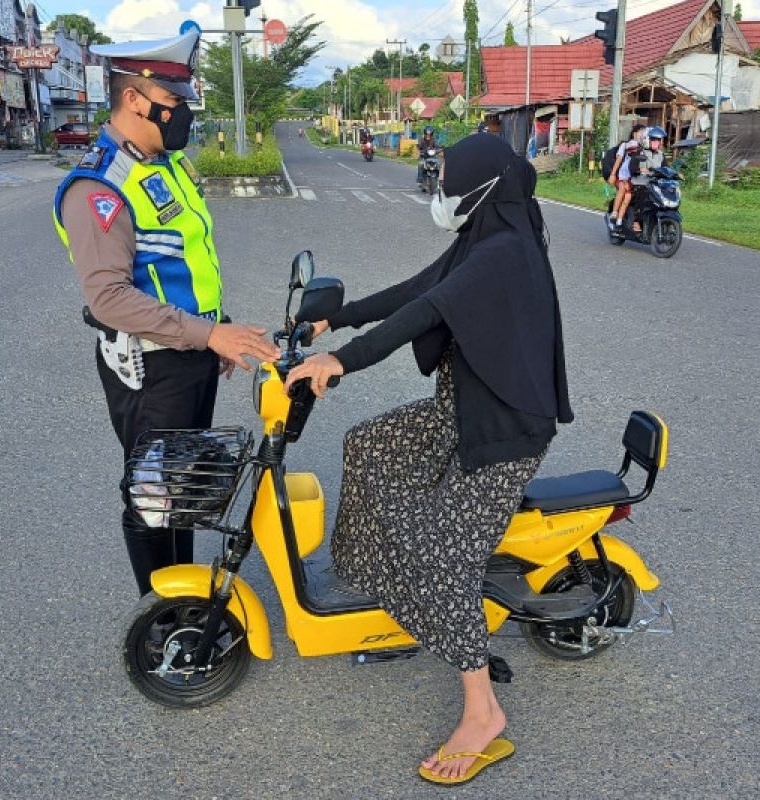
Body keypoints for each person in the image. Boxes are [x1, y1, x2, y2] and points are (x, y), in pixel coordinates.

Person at [286, 133, 572, 785]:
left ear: (483, 185)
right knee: (368, 445)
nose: (440, 192)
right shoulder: (482, 238)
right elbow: (417, 287)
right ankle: (373, 579)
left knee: (442, 556)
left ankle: (483, 713)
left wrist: (341, 360)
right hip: (460, 408)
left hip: (501, 429)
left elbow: (426, 312)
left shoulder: (504, 252)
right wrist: (336, 321)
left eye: (448, 180)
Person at [52, 25, 280, 596]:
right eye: (174, 103)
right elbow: (107, 295)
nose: (183, 114)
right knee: (153, 493)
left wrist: (214, 333)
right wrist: (207, 335)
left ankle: (182, 593)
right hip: (151, 366)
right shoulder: (100, 185)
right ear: (135, 98)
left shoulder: (164, 166)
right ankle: (162, 618)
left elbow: (180, 264)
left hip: (188, 352)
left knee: (180, 483)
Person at [608, 122, 646, 230]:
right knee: (621, 191)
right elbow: (619, 160)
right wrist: (613, 174)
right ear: (634, 134)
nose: (642, 135)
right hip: (623, 176)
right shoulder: (625, 145)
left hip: (634, 178)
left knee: (629, 198)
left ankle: (622, 220)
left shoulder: (642, 149)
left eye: (644, 133)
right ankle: (614, 213)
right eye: (641, 133)